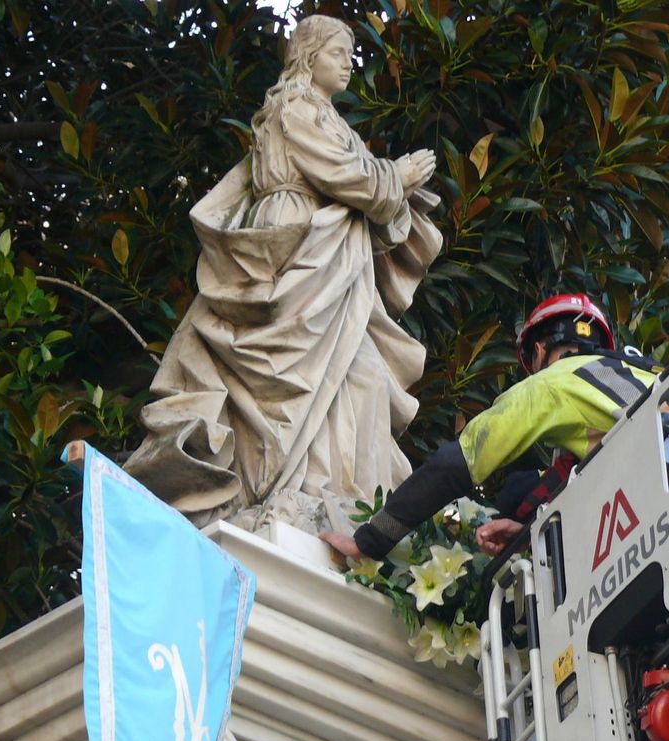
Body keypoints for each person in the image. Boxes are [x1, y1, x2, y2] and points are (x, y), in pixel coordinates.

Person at [125, 15, 442, 530]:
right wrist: (396, 177)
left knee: (360, 376)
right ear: (309, 57)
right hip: (294, 247)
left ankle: (347, 498)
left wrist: (394, 190)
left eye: (350, 54)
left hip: (335, 257)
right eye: (337, 53)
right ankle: (292, 490)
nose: (348, 64)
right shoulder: (294, 107)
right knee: (288, 376)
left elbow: (363, 193)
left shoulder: (332, 119)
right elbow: (343, 175)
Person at [320, 295, 669, 574]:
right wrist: (531, 530)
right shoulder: (655, 377)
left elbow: (458, 463)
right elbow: (611, 481)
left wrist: (372, 540)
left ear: (538, 352)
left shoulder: (554, 383)